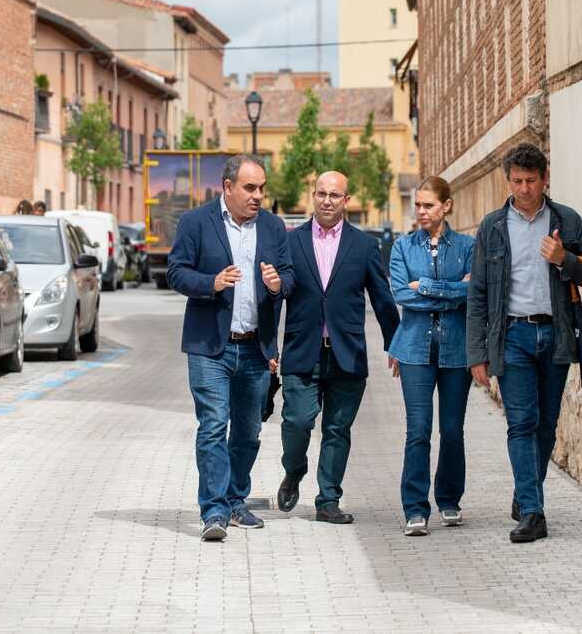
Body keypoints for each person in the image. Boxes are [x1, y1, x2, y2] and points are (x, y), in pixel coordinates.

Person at [466, 143, 582, 544]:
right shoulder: (492, 226)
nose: (524, 189)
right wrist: (478, 354)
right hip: (512, 336)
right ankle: (532, 511)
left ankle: (526, 489)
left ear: (545, 179)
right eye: (517, 181)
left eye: (531, 180)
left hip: (555, 334)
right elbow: (478, 294)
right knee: (521, 423)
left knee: (546, 424)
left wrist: (565, 259)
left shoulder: (565, 220)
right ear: (508, 181)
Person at [167, 154, 294, 541]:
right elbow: (176, 272)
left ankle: (236, 499)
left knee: (248, 431)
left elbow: (289, 277)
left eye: (262, 188)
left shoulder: (273, 228)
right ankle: (214, 510)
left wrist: (276, 284)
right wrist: (212, 283)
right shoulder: (195, 222)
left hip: (256, 347)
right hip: (211, 347)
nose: (258, 195)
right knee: (211, 426)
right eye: (250, 188)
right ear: (227, 187)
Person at [276, 171, 399, 524]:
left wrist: (396, 344)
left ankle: (328, 500)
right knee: (297, 421)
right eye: (321, 194)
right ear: (312, 196)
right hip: (303, 350)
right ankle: (294, 470)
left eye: (335, 195)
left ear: (346, 200)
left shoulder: (363, 246)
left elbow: (382, 298)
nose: (327, 200)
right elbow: (275, 297)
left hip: (347, 352)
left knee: (337, 429)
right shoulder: (291, 242)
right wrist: (268, 347)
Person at [387, 176, 474, 536]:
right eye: (417, 205)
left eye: (428, 205)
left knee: (452, 430)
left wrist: (424, 285)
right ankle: (414, 507)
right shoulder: (402, 247)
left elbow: (472, 292)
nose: (420, 211)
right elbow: (399, 294)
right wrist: (452, 291)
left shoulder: (468, 246)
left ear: (446, 206)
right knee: (418, 431)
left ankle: (450, 500)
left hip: (457, 349)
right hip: (413, 352)